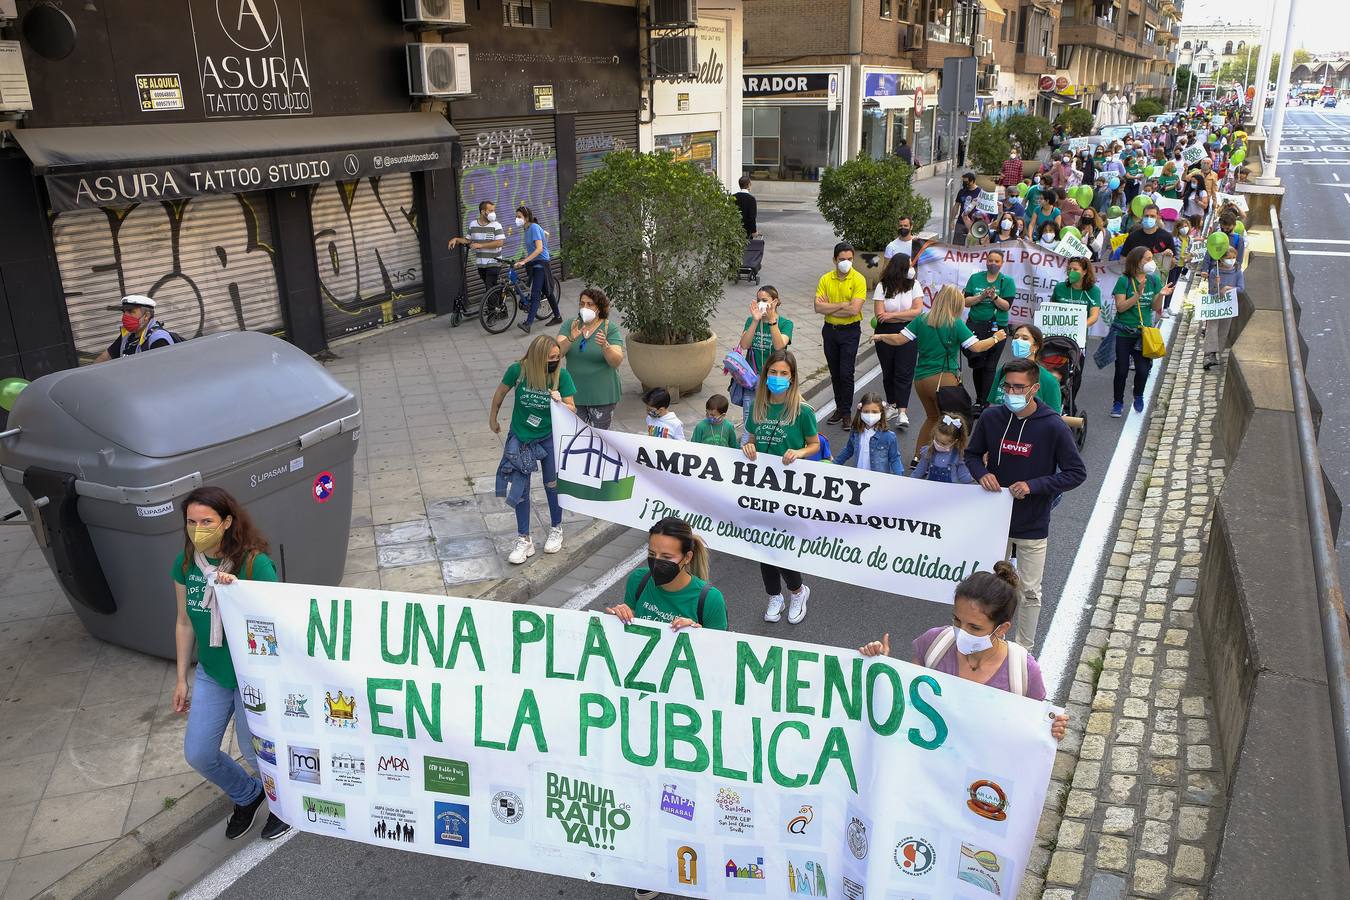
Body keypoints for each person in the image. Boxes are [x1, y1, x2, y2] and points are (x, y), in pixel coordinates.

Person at [172, 486, 289, 842]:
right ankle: (248, 795)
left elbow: (277, 627)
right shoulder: (187, 563)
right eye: (192, 522)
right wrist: (181, 678)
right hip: (212, 673)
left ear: (226, 522)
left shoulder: (256, 564)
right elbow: (183, 621)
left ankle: (285, 807)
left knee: (256, 750)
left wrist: (238, 592)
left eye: (206, 521)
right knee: (199, 753)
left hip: (251, 675)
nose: (198, 529)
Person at [857, 563, 1069, 738]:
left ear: (1002, 628)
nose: (961, 632)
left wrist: (1052, 730)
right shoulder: (934, 644)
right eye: (957, 620)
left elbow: (1032, 730)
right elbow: (906, 699)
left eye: (975, 627)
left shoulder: (1023, 672)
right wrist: (883, 667)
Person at [966, 358, 1087, 645]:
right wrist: (982, 474)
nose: (1012, 392)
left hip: (1033, 523)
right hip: (995, 519)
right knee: (988, 587)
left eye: (1019, 387)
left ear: (1034, 389)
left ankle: (1023, 651)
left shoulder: (1053, 426)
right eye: (1007, 386)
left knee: (1029, 591)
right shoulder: (991, 418)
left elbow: (1076, 473)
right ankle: (987, 641)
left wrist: (1034, 486)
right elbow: (971, 455)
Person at [872, 285, 1006, 456]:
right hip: (945, 379)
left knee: (932, 418)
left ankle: (918, 458)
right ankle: (954, 461)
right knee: (957, 422)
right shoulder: (955, 323)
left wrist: (881, 336)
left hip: (921, 380)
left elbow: (899, 339)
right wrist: (996, 338)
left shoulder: (922, 319)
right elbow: (977, 347)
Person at [742, 350, 818, 624]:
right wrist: (748, 446)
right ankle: (774, 595)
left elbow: (815, 444)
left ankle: (798, 591)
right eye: (773, 372)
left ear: (793, 377)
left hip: (790, 489)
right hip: (761, 488)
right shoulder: (758, 407)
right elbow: (751, 439)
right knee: (763, 544)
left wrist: (798, 452)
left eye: (783, 373)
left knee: (781, 544)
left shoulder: (803, 411)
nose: (777, 378)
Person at [491, 335, 575, 564]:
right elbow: (500, 393)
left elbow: (572, 409)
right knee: (520, 489)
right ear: (538, 357)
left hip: (548, 437)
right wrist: (493, 418)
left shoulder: (561, 376)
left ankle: (556, 528)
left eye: (558, 357)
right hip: (521, 437)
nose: (555, 361)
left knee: (552, 485)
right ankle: (523, 538)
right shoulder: (518, 371)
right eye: (551, 358)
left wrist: (561, 402)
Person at [606, 517, 728, 632]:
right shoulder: (638, 580)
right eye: (652, 554)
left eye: (666, 557)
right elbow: (630, 622)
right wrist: (620, 616)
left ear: (687, 557)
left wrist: (696, 634)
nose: (656, 563)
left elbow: (721, 648)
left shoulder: (711, 600)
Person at [1109, 246, 1172, 417]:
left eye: (1152, 258)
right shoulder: (1124, 281)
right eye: (1147, 258)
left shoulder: (1153, 280)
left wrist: (1161, 294)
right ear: (1136, 261)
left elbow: (1154, 307)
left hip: (1143, 333)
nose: (1150, 262)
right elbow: (1120, 307)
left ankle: (1138, 394)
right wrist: (1137, 294)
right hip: (1123, 331)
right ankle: (1118, 402)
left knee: (1143, 370)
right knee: (1121, 370)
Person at [815, 242, 867, 432]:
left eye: (849, 259)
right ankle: (839, 407)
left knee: (846, 372)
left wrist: (832, 306)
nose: (846, 262)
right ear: (835, 260)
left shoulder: (858, 279)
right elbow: (817, 307)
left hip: (850, 332)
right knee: (835, 372)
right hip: (829, 330)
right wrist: (843, 305)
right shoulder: (826, 279)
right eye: (842, 259)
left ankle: (846, 412)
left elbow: (854, 310)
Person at [555, 287, 624, 430]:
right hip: (574, 394)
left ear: (599, 308)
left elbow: (616, 361)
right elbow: (557, 354)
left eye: (590, 304)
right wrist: (570, 338)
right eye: (582, 303)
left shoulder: (609, 328)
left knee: (598, 437)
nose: (584, 307)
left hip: (602, 396)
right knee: (577, 434)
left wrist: (606, 346)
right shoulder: (571, 325)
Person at [872, 254, 925, 427]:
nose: (912, 268)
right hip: (885, 332)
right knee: (889, 371)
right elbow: (880, 315)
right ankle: (892, 404)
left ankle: (902, 411)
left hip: (909, 330)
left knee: (904, 372)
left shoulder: (914, 285)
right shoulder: (883, 286)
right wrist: (894, 316)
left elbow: (917, 311)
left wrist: (893, 315)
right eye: (909, 265)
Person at [961, 249, 1016, 410]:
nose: (993, 263)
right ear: (986, 261)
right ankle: (979, 399)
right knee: (977, 362)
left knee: (990, 365)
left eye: (997, 261)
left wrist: (994, 297)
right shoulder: (975, 278)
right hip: (976, 325)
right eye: (990, 260)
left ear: (1002, 263)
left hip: (997, 327)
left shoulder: (1007, 281)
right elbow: (966, 302)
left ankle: (986, 402)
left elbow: (1006, 306)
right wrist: (981, 296)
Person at [735, 285, 794, 420]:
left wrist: (772, 321)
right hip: (753, 381)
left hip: (774, 380)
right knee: (749, 423)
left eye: (764, 300)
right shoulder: (751, 321)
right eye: (758, 299)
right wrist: (755, 321)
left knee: (773, 419)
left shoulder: (785, 323)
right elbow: (744, 345)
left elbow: (779, 346)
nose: (760, 303)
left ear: (775, 302)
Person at [987, 324, 1064, 414]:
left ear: (1035, 346)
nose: (1018, 341)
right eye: (1016, 337)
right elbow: (993, 403)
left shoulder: (1048, 380)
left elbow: (1054, 416)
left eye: (1025, 338)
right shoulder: (1004, 370)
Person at [513, 205, 561, 333]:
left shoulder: (533, 227)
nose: (517, 219)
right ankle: (558, 316)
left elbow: (539, 249)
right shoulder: (527, 228)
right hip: (534, 263)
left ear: (526, 218)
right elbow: (547, 234)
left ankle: (528, 324)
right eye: (516, 216)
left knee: (535, 294)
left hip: (540, 264)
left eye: (519, 217)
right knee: (548, 291)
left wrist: (524, 261)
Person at [834, 392, 905, 475]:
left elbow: (895, 458)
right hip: (859, 477)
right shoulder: (856, 431)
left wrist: (899, 477)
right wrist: (834, 464)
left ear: (881, 413)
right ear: (860, 411)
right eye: (866, 412)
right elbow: (849, 450)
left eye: (874, 412)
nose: (870, 415)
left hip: (878, 480)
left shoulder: (889, 436)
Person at [95, 295, 178, 362]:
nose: (125, 316)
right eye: (124, 312)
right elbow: (104, 358)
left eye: (131, 311)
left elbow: (164, 371)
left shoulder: (158, 340)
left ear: (146, 316)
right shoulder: (127, 335)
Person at [448, 200, 505, 290]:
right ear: (482, 212)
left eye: (494, 210)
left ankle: (491, 303)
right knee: (490, 287)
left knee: (489, 286)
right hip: (481, 263)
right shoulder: (473, 224)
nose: (493, 213)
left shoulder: (496, 225)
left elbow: (500, 242)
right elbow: (467, 240)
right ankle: (499, 300)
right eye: (490, 211)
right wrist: (456, 239)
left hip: (494, 262)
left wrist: (481, 245)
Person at [1204, 242, 1242, 371]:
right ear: (1221, 259)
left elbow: (1241, 289)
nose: (1231, 261)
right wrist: (1216, 284)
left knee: (1223, 329)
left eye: (1233, 258)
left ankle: (1216, 353)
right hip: (1216, 304)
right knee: (1212, 328)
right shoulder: (1215, 271)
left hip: (1229, 304)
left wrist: (1229, 288)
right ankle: (1209, 354)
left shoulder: (1237, 272)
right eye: (1228, 258)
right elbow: (1212, 291)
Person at [909, 414, 974, 484]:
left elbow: (963, 477)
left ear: (955, 442)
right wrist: (909, 481)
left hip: (949, 490)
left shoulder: (959, 456)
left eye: (943, 443)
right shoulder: (928, 451)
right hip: (931, 487)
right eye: (936, 440)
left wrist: (976, 476)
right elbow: (919, 471)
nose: (938, 444)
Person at [1051, 257, 1102, 330]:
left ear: (1084, 272)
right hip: (1057, 331)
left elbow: (1094, 316)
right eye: (1069, 269)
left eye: (1075, 269)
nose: (1071, 272)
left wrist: (1079, 328)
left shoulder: (1094, 291)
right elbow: (1050, 309)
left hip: (1079, 334)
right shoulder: (1059, 287)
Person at [952, 172, 981, 244]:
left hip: (974, 223)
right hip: (961, 222)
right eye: (964, 182)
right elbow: (956, 206)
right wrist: (952, 220)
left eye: (967, 182)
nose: (965, 184)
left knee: (972, 244)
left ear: (973, 181)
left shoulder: (980, 192)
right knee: (957, 244)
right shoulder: (962, 191)